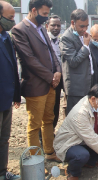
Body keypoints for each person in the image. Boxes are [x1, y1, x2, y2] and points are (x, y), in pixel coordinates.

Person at [11, 0, 61, 161]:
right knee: (34, 125)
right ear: (33, 10)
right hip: (36, 85)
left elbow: (52, 53)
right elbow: (29, 60)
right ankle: (35, 159)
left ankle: (49, 152)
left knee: (49, 119)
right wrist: (50, 76)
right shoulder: (19, 30)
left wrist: (58, 71)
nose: (46, 18)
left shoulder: (41, 29)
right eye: (44, 14)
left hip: (50, 85)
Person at [60, 9, 97, 115]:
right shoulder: (66, 38)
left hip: (88, 84)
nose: (85, 29)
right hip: (76, 88)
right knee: (75, 118)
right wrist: (85, 46)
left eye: (87, 26)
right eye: (82, 26)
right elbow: (73, 61)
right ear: (73, 23)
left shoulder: (82, 35)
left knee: (85, 116)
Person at [0, 1, 21, 180]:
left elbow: (13, 67)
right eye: (10, 18)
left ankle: (2, 172)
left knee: (4, 139)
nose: (13, 22)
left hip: (6, 97)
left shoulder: (7, 37)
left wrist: (16, 95)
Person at [46, 14, 62, 129]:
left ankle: (51, 132)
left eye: (58, 25)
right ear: (47, 26)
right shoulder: (43, 41)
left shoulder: (60, 41)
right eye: (53, 25)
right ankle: (43, 137)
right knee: (46, 109)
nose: (56, 28)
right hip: (47, 80)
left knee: (56, 107)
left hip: (58, 81)